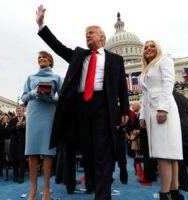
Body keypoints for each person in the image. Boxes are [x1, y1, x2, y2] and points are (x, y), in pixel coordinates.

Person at [36, 5, 130, 200]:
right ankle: (92, 184)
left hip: (103, 106)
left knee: (102, 152)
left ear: (102, 37)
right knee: (87, 152)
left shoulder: (115, 60)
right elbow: (58, 47)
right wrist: (41, 25)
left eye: (91, 33)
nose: (87, 36)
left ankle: (102, 196)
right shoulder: (80, 55)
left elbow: (122, 87)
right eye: (85, 34)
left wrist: (125, 111)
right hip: (80, 107)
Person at [138, 40, 183, 200]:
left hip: (163, 109)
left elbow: (168, 83)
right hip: (151, 111)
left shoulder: (165, 59)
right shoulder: (144, 71)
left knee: (165, 152)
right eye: (146, 47)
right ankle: (175, 191)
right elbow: (144, 96)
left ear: (158, 49)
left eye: (152, 46)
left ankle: (164, 193)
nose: (149, 48)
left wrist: (163, 107)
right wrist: (142, 115)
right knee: (168, 152)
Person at [21, 50, 62, 200]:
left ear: (50, 61)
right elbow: (24, 98)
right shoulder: (30, 77)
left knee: (48, 152)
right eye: (39, 57)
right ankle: (33, 189)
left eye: (44, 57)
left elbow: (62, 99)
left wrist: (51, 97)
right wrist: (33, 93)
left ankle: (46, 189)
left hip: (49, 115)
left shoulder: (57, 77)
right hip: (33, 114)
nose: (41, 59)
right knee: (32, 152)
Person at [7, 106, 26, 183]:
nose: (19, 112)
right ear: (16, 112)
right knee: (14, 160)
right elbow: (8, 130)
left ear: (23, 111)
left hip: (23, 142)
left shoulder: (27, 119)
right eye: (17, 111)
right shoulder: (12, 120)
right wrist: (16, 126)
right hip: (14, 143)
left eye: (20, 110)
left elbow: (30, 130)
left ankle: (21, 176)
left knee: (22, 160)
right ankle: (15, 175)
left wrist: (23, 126)